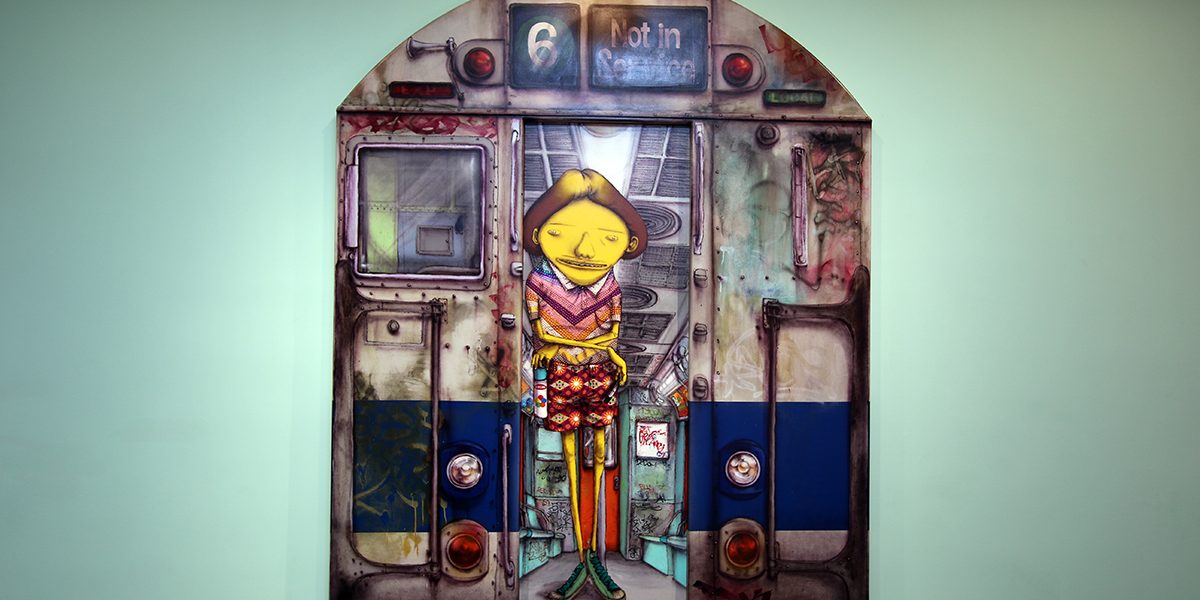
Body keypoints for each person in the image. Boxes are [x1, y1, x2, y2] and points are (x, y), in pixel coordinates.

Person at [523, 169, 647, 600]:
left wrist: (570, 345)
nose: (584, 249)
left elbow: (602, 335)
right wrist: (594, 346)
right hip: (571, 373)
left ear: (627, 244)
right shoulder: (540, 283)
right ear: (538, 236)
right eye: (560, 232)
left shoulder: (609, 286)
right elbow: (554, 333)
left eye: (608, 237)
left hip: (591, 372)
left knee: (595, 454)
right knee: (573, 457)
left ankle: (594, 556)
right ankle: (583, 555)